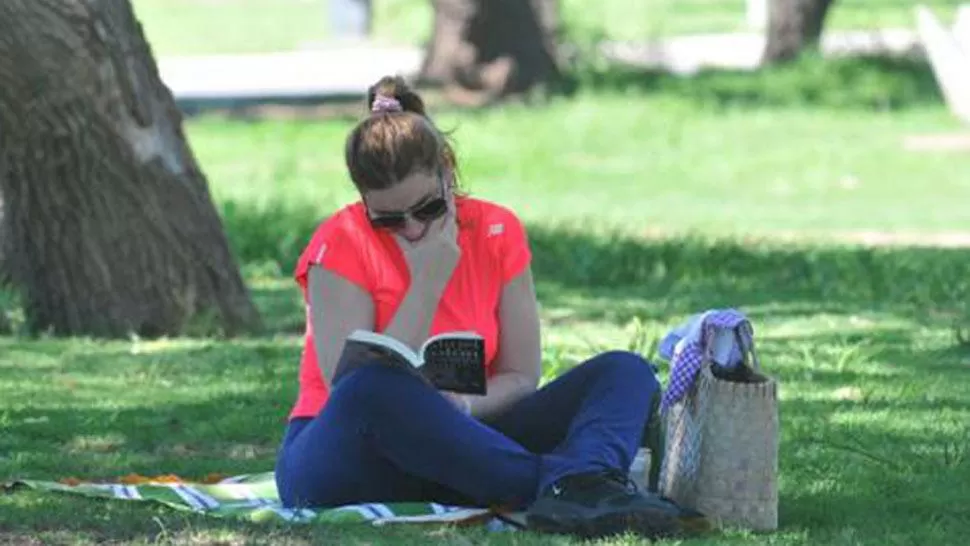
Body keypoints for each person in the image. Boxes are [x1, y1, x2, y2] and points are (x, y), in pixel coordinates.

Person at [274, 75, 706, 540]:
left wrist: (462, 406)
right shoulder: (340, 242)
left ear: (447, 171)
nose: (413, 231)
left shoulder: (497, 230)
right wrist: (428, 280)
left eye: (427, 209)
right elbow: (349, 391)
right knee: (372, 387)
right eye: (390, 220)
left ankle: (579, 480)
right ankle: (573, 487)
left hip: (469, 441)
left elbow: (521, 376)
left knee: (624, 371)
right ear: (364, 202)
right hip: (348, 454)